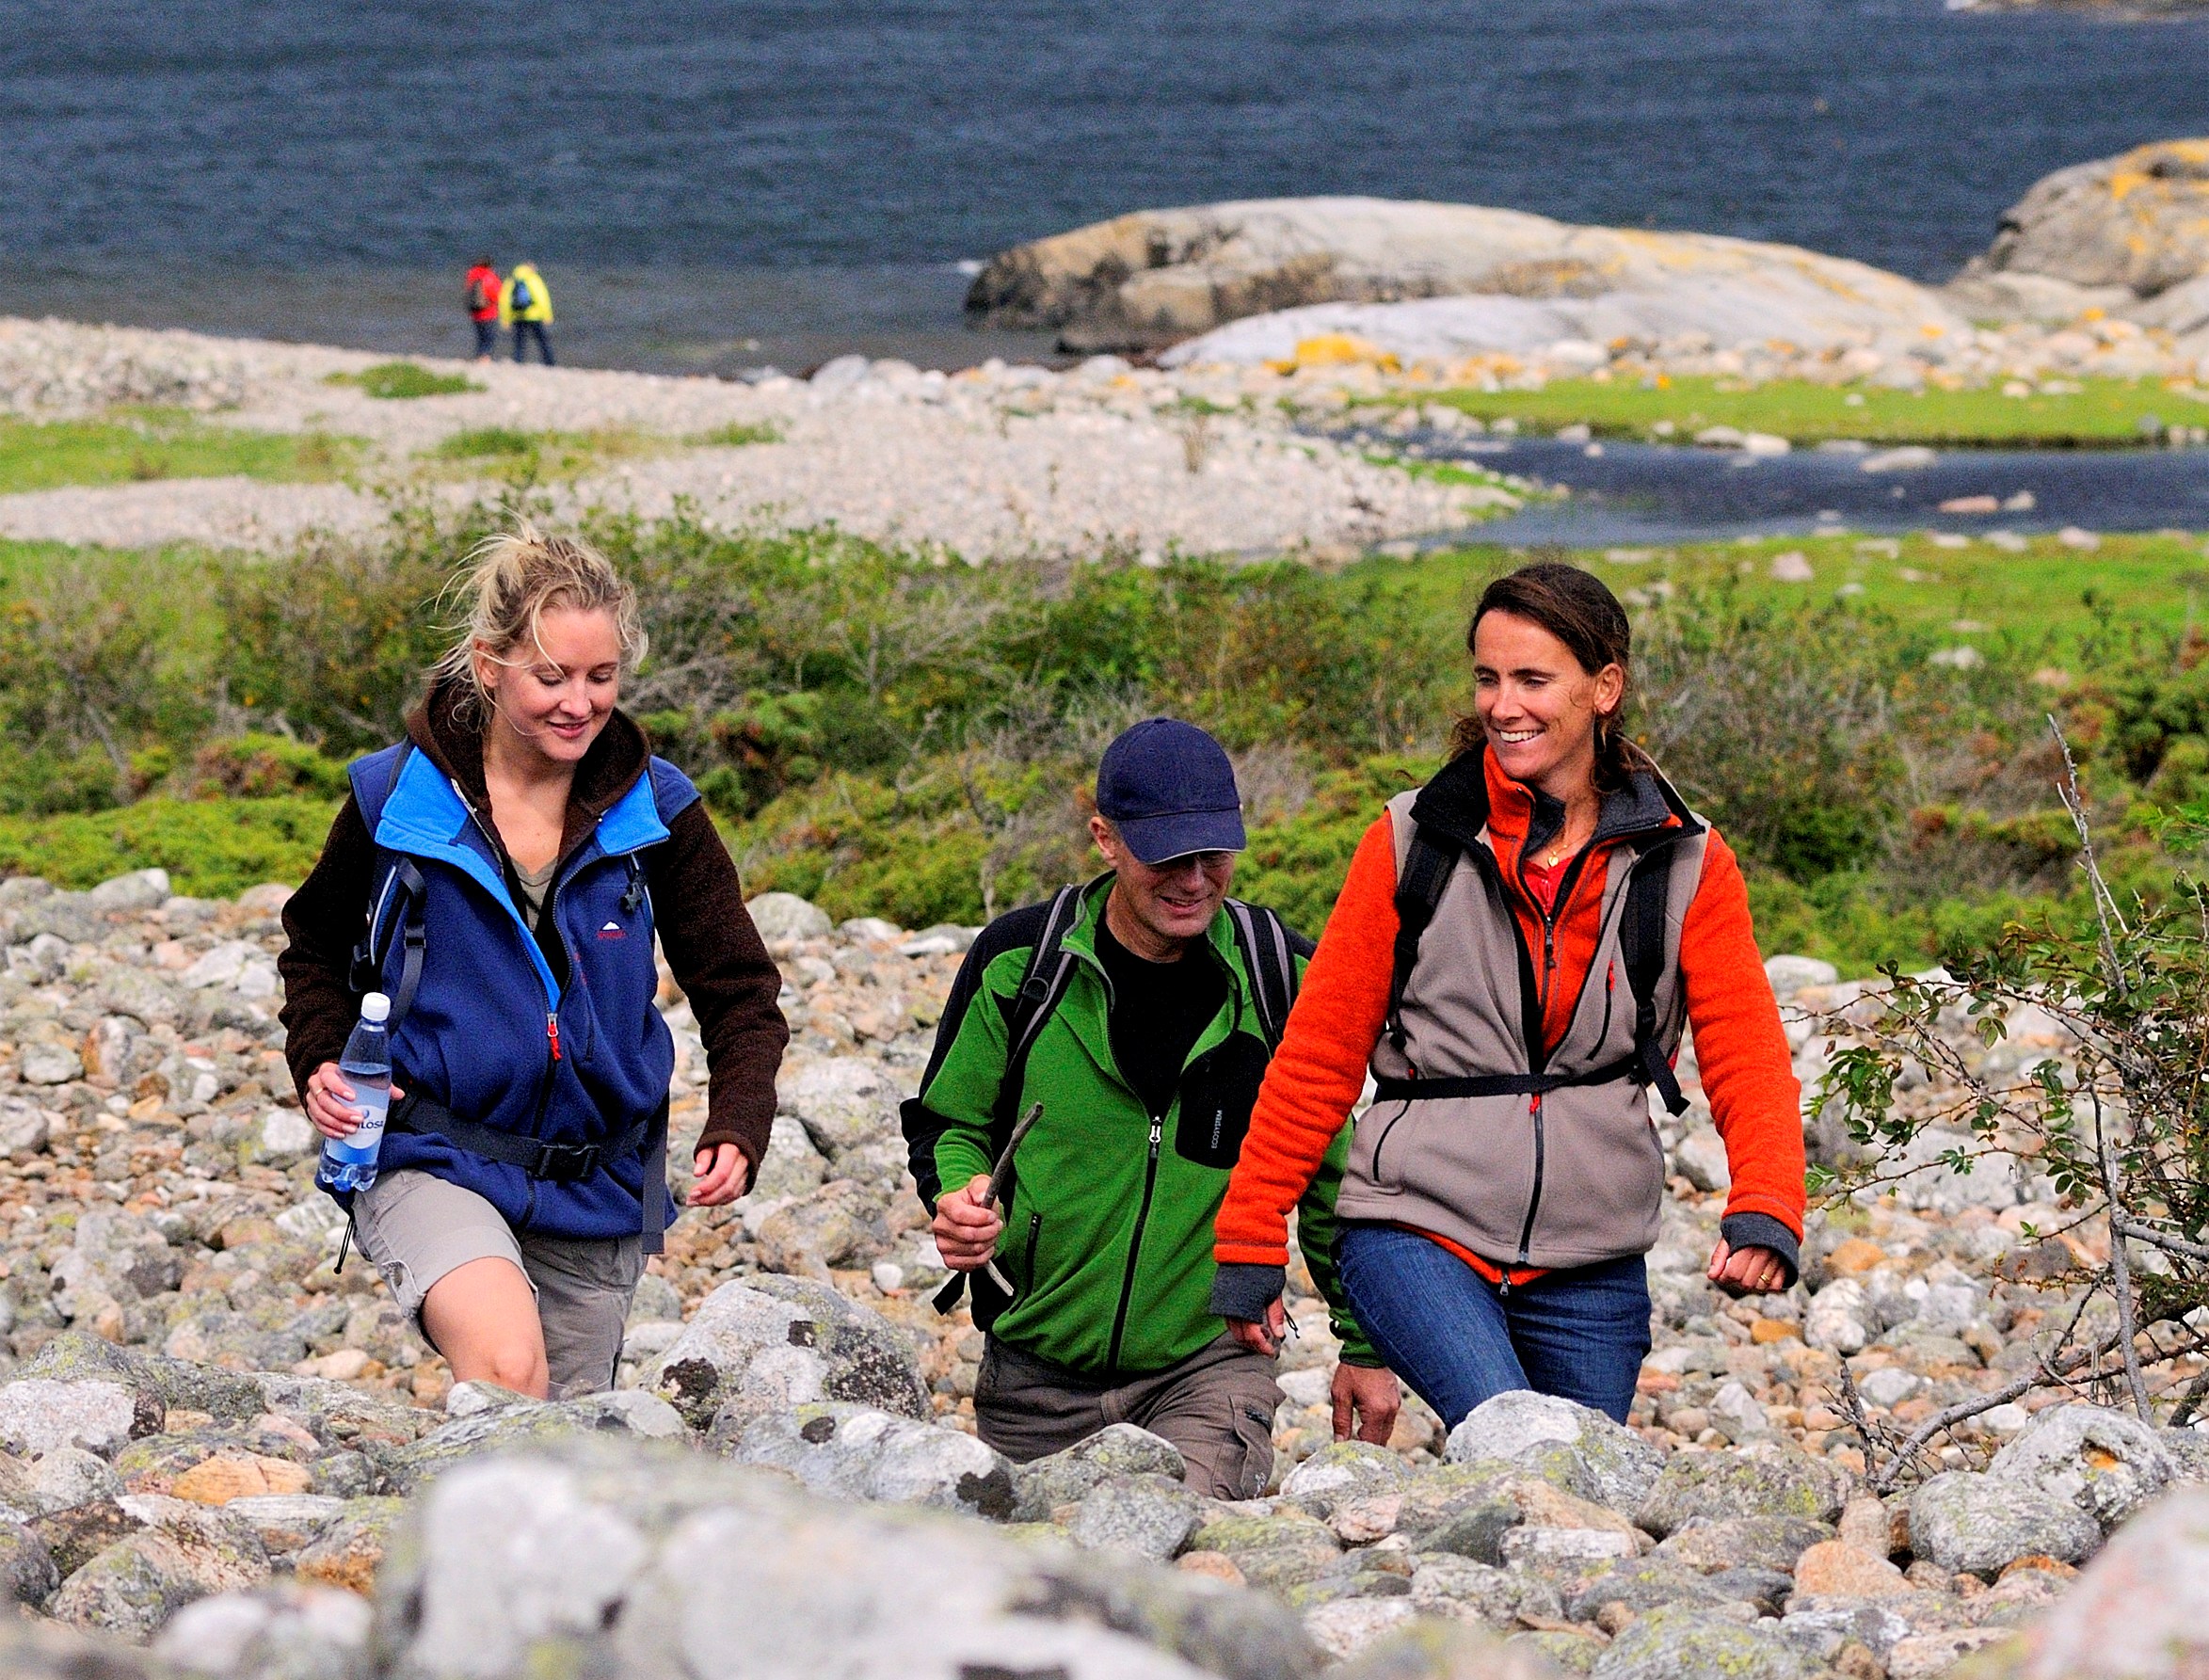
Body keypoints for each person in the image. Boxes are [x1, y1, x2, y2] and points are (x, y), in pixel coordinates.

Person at [1209, 562, 1804, 1429]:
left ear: (1604, 688)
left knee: (1582, 1505)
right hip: (1414, 1226)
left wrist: (1765, 1205)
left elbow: (1746, 1050)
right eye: (1487, 678)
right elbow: (1317, 1059)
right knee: (1515, 1436)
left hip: (1592, 1255)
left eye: (1532, 679)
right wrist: (1250, 1236)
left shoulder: (1686, 860)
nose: (1502, 704)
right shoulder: (1411, 840)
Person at [278, 525, 788, 1399]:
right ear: (489, 665)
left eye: (601, 677)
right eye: (550, 677)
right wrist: (321, 1057)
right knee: (510, 1373)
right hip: (430, 1149)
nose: (578, 703)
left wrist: (739, 1122)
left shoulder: (657, 811)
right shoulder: (394, 799)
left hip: (596, 1181)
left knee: (562, 1460)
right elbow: (314, 947)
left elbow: (741, 991)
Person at [906, 718, 1401, 1498]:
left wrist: (1365, 1344)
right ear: (1105, 838)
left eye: (1213, 853)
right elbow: (947, 1123)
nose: (1195, 879)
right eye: (1166, 857)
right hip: (1032, 1372)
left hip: (1209, 1370)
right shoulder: (1018, 962)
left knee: (1170, 1563)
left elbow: (1335, 1181)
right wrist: (957, 1195)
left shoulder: (1280, 976)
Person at [502, 263, 555, 364]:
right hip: (534, 315)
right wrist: (547, 315)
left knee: (519, 342)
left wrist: (505, 319)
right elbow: (542, 298)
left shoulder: (511, 280)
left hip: (517, 315)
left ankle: (518, 361)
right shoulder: (533, 279)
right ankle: (549, 362)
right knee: (542, 341)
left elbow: (505, 301)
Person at [463, 259, 502, 362]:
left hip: (475, 312)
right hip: (489, 312)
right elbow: (496, 294)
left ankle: (478, 356)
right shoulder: (489, 276)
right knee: (489, 337)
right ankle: (485, 358)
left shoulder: (471, 276)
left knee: (480, 337)